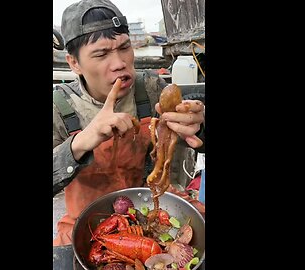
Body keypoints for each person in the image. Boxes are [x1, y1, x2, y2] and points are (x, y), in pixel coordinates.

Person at [53, 0, 205, 246]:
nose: (119, 63)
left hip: (153, 210)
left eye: (124, 47)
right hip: (87, 222)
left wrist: (199, 128)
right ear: (74, 63)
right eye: (101, 54)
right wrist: (79, 143)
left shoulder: (152, 88)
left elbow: (195, 136)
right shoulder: (59, 108)